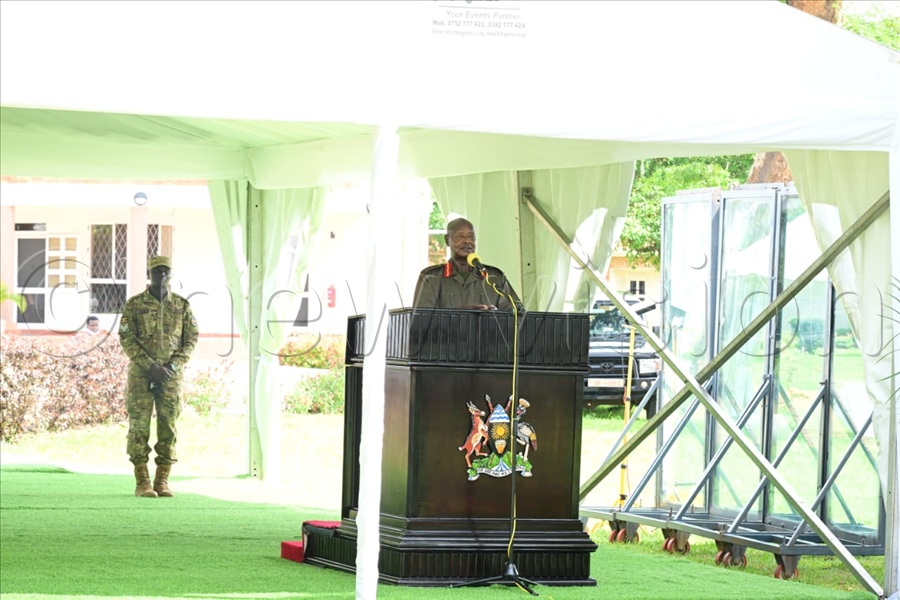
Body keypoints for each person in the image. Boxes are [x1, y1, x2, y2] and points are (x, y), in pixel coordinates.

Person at [119, 255, 198, 498]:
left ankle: (162, 480)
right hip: (141, 375)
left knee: (168, 426)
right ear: (149, 274)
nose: (161, 276)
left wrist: (172, 367)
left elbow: (191, 338)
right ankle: (142, 480)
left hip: (171, 378)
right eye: (157, 271)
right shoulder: (134, 305)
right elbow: (126, 337)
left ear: (171, 275)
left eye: (166, 271)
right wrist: (150, 365)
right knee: (139, 426)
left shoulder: (181, 305)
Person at [413, 217, 520, 310]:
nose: (467, 241)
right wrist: (458, 315)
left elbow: (518, 315)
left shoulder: (493, 277)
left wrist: (493, 317)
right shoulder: (431, 277)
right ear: (447, 240)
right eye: (460, 236)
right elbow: (420, 323)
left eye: (471, 236)